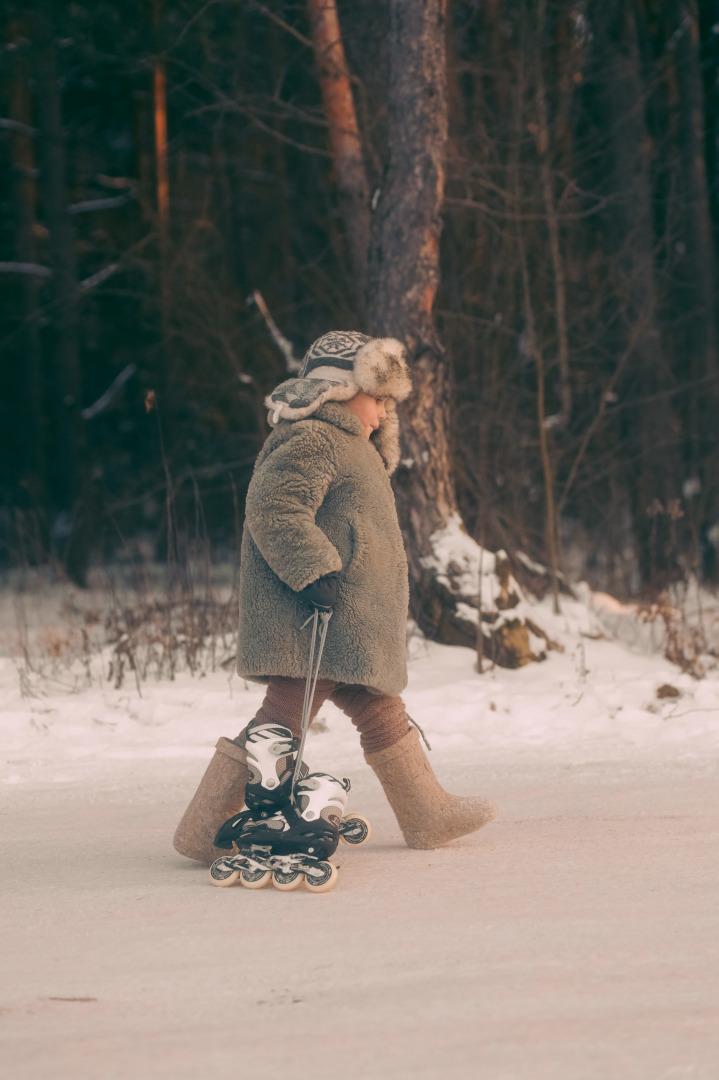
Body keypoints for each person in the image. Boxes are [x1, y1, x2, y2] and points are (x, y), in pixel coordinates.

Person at [173, 331, 496, 863]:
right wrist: (313, 569)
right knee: (285, 711)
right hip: (312, 611)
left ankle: (426, 814)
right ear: (341, 391)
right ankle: (204, 828)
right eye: (378, 398)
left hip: (348, 617)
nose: (384, 412)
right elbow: (274, 507)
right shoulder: (315, 438)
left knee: (378, 708)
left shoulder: (353, 446)